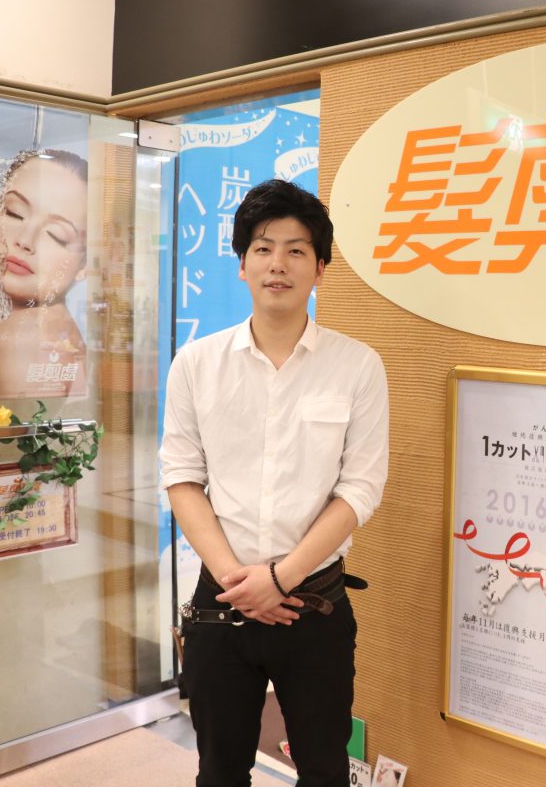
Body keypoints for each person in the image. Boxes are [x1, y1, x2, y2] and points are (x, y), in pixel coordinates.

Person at [160, 179, 389, 787]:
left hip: (314, 605)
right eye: (263, 248)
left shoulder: (358, 366)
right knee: (219, 770)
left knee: (324, 769)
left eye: (296, 250)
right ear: (242, 264)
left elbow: (360, 490)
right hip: (222, 604)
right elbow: (181, 478)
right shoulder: (197, 364)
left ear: (320, 268)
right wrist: (241, 584)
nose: (277, 264)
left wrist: (281, 579)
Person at [0, 149, 89, 399]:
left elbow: (18, 426)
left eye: (57, 235)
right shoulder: (58, 329)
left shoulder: (21, 335)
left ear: (84, 265)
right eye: (14, 213)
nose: (25, 241)